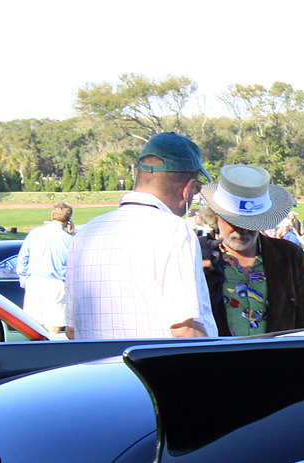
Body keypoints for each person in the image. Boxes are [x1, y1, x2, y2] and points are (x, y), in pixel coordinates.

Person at [64, 132, 216, 341]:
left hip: (97, 369)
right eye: (196, 187)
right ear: (187, 189)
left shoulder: (86, 233)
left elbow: (72, 330)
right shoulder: (174, 230)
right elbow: (185, 329)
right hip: (149, 370)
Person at [198, 165, 304, 337]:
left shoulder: (289, 255)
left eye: (251, 222)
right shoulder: (198, 255)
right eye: (234, 221)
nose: (242, 230)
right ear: (216, 216)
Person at [15, 201, 75, 335]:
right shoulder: (68, 239)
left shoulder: (34, 233)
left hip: (34, 281)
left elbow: (23, 258)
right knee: (54, 325)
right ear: (68, 220)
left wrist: (24, 279)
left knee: (33, 323)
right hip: (55, 282)